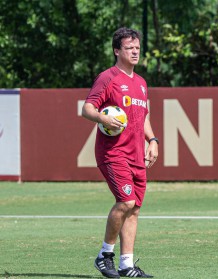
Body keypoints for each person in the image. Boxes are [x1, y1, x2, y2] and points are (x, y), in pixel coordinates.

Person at [82, 27, 158, 278]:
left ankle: (127, 264)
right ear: (117, 50)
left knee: (134, 208)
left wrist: (153, 140)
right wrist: (103, 117)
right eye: (129, 48)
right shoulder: (108, 78)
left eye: (137, 48)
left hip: (137, 155)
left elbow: (143, 116)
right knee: (125, 201)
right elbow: (87, 109)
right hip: (113, 154)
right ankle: (104, 255)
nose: (135, 52)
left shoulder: (142, 83)